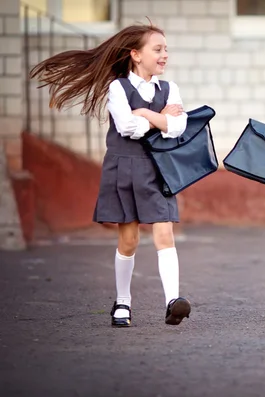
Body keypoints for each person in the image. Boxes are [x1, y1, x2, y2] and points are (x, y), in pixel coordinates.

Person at [30, 24, 192, 327]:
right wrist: (158, 119)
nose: (164, 55)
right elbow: (126, 128)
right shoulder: (118, 88)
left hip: (160, 169)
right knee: (128, 239)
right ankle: (122, 301)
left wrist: (144, 115)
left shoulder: (171, 88)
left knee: (164, 231)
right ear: (135, 54)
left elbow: (179, 127)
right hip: (125, 168)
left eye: (166, 49)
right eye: (157, 50)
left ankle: (173, 301)